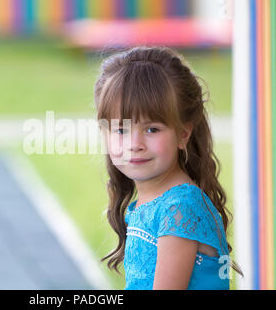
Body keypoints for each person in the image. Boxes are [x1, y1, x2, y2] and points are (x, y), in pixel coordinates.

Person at [93, 46, 243, 290]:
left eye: (152, 129)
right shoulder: (155, 201)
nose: (135, 145)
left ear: (183, 134)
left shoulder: (179, 208)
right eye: (121, 130)